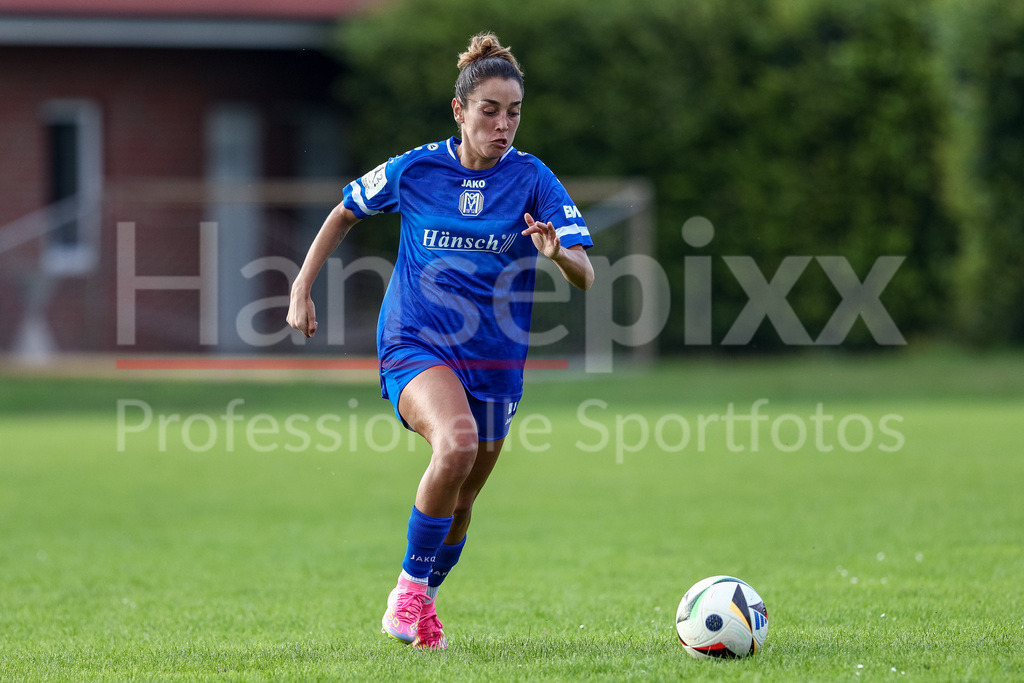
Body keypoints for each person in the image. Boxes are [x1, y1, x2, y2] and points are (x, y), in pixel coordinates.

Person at [286, 32, 594, 650]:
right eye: (490, 110)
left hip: (496, 357)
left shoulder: (532, 178)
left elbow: (587, 274)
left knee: (465, 495)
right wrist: (301, 288)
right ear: (460, 110)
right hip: (415, 340)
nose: (503, 124)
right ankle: (406, 594)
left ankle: (423, 601)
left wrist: (559, 253)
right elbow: (345, 210)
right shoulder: (418, 168)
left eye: (513, 112)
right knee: (454, 448)